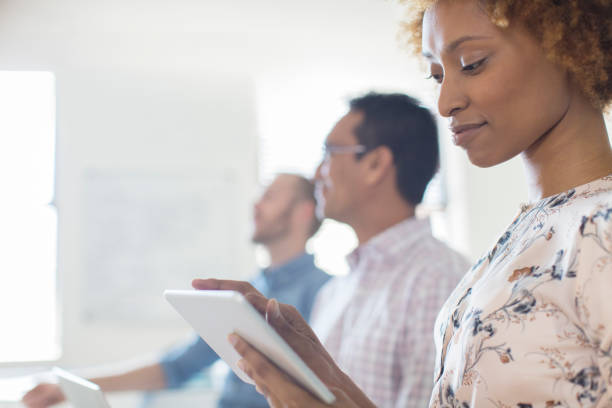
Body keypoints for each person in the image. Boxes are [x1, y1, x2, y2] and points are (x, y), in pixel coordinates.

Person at [192, 0, 612, 406]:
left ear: (569, 47)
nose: (446, 103)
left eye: (472, 63)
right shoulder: (522, 240)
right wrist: (324, 377)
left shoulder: (601, 224)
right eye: (436, 75)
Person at [22, 173, 331, 408]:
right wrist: (70, 384)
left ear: (303, 211)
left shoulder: (326, 292)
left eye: (270, 196)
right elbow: (177, 366)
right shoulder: (251, 289)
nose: (256, 203)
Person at [308, 92, 470, 407]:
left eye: (330, 153)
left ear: (375, 164)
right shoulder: (334, 291)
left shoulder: (437, 282)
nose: (316, 174)